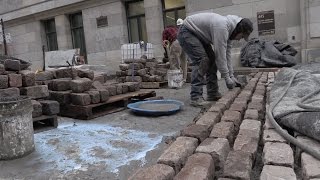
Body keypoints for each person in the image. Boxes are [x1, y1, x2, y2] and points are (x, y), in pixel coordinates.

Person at [177, 12, 253, 107]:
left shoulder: (230, 31)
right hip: (187, 31)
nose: (239, 39)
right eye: (242, 36)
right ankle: (196, 97)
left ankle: (212, 93)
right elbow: (220, 55)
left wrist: (231, 76)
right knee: (202, 60)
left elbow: (227, 55)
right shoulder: (222, 27)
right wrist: (226, 78)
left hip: (198, 35)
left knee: (212, 59)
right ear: (239, 30)